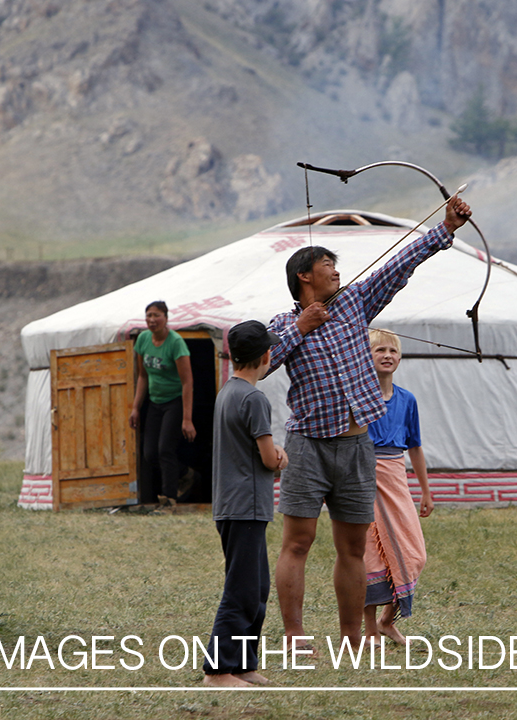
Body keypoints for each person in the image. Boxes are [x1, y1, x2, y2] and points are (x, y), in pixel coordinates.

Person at [266, 195, 472, 651]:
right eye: (327, 266)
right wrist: (302, 327)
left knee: (353, 548)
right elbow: (258, 365)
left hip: (358, 445)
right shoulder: (281, 324)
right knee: (297, 543)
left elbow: (397, 267)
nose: (337, 272)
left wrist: (446, 228)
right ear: (304, 275)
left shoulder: (354, 303)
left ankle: (352, 636)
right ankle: (295, 635)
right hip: (307, 445)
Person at [202, 321, 287, 688]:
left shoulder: (228, 392)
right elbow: (269, 458)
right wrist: (282, 457)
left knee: (257, 587)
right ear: (266, 356)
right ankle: (218, 671)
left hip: (232, 505)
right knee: (241, 590)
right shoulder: (254, 399)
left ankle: (244, 664)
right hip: (246, 505)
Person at [363, 329, 433, 647]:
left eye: (393, 350)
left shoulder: (407, 400)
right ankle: (368, 630)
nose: (387, 355)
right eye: (380, 350)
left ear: (400, 358)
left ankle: (386, 621)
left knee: (414, 552)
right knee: (369, 556)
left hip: (396, 477)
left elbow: (415, 446)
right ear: (367, 356)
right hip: (363, 478)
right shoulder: (359, 397)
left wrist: (426, 490)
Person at [129, 300, 196, 508]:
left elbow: (187, 382)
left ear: (166, 318)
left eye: (156, 315)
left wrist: (187, 418)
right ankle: (186, 474)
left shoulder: (176, 343)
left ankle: (169, 499)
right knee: (150, 453)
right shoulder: (142, 340)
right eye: (148, 315)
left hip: (174, 401)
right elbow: (142, 376)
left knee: (165, 449)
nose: (152, 320)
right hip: (155, 402)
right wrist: (135, 408)